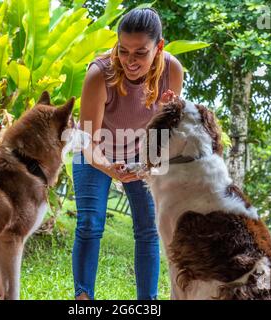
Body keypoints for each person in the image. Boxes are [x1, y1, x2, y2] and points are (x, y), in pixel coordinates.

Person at [71, 8, 184, 300]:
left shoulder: (172, 72)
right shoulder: (100, 74)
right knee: (89, 223)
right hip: (95, 152)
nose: (130, 61)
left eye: (140, 53)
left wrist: (168, 115)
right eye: (124, 51)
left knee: (148, 229)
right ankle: (83, 300)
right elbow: (86, 140)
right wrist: (110, 168)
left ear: (158, 47)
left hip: (141, 155)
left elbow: (164, 137)